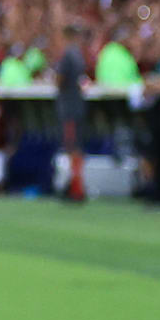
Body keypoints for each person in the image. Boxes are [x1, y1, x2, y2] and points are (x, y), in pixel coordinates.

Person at [54, 23, 91, 202]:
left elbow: (60, 80)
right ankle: (76, 185)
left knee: (72, 148)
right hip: (77, 105)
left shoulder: (67, 55)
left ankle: (76, 188)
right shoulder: (78, 55)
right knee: (76, 148)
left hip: (69, 107)